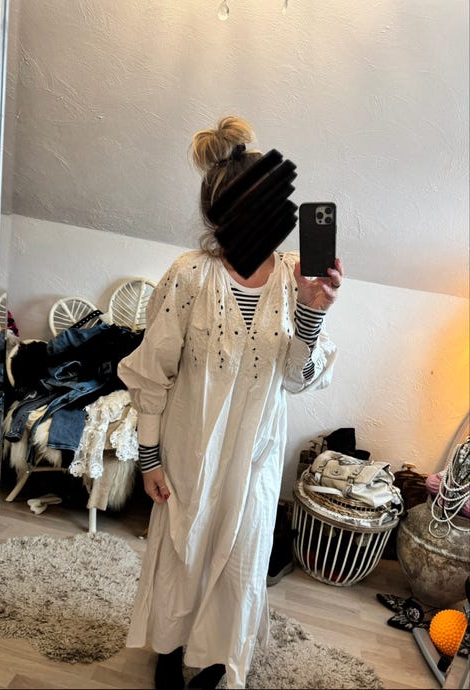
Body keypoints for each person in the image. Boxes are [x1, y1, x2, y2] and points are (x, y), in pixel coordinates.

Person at [117, 115, 344, 690]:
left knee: (241, 565)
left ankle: (218, 659)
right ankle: (170, 651)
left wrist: (313, 312)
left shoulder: (296, 279)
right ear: (222, 216)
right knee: (182, 556)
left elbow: (298, 379)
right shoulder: (189, 277)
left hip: (256, 460)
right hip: (188, 453)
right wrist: (149, 458)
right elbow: (152, 374)